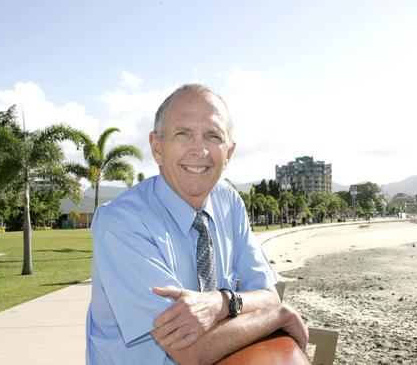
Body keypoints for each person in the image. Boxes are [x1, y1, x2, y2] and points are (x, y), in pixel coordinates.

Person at [86, 83, 308, 364]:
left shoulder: (229, 201)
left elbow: (268, 294)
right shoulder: (122, 223)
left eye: (213, 135)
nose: (199, 150)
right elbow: (190, 351)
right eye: (183, 134)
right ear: (157, 147)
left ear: (228, 153)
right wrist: (279, 315)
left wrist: (222, 302)